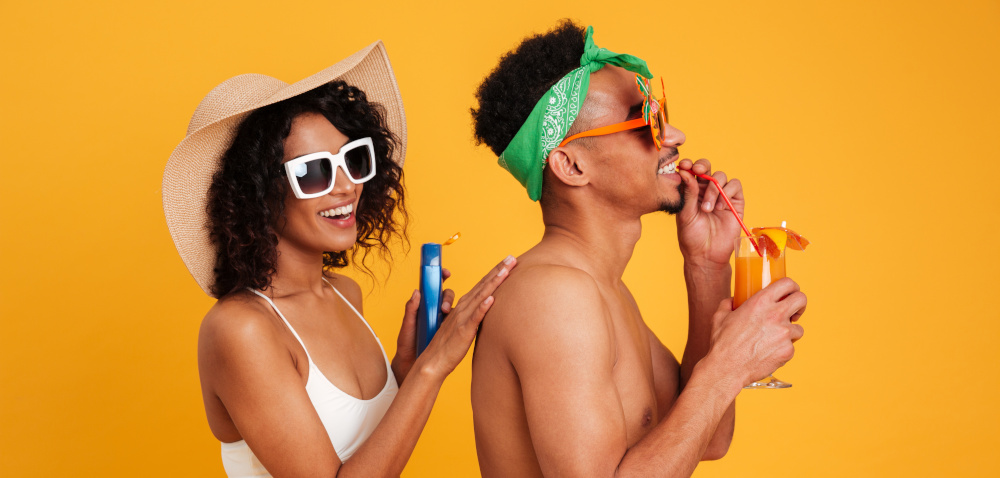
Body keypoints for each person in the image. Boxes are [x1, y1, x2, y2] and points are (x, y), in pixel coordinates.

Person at [469, 21, 807, 477]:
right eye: (645, 121)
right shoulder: (554, 296)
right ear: (572, 166)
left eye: (662, 116)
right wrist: (729, 366)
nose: (674, 136)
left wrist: (707, 266)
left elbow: (708, 439)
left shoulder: (601, 289)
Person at [162, 41, 515, 477]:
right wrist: (433, 368)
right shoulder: (241, 329)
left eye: (353, 159)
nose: (347, 186)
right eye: (314, 171)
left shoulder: (346, 293)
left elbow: (364, 447)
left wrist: (407, 369)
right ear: (257, 193)